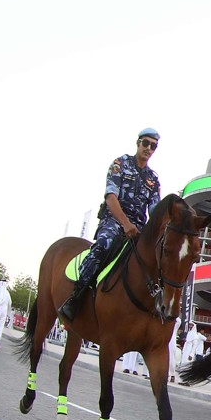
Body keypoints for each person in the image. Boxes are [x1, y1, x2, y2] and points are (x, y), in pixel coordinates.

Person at [59, 129, 163, 322]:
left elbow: (155, 211)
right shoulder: (120, 164)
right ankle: (75, 297)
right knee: (103, 245)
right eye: (146, 143)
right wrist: (125, 224)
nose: (149, 148)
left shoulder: (153, 179)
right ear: (138, 143)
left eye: (153, 146)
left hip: (139, 229)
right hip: (114, 221)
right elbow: (110, 197)